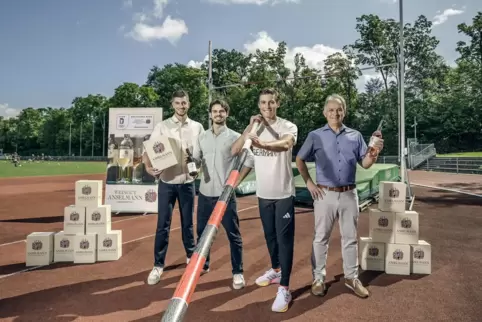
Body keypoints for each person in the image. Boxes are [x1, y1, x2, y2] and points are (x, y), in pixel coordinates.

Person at [295, 94, 384, 298]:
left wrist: (374, 153)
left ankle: (351, 277)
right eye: (331, 109)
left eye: (339, 109)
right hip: (324, 194)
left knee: (350, 238)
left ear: (344, 111)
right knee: (321, 238)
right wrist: (309, 183)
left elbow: (366, 163)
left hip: (349, 194)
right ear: (325, 112)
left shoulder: (355, 135)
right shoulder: (315, 135)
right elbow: (300, 159)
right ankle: (318, 278)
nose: (335, 113)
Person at [231, 88, 298, 313]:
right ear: (258, 105)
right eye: (263, 103)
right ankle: (276, 270)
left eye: (271, 102)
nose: (267, 106)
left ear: (277, 104)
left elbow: (286, 144)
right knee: (270, 237)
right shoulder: (255, 128)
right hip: (263, 195)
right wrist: (249, 128)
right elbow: (242, 154)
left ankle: (285, 287)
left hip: (283, 195)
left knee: (284, 240)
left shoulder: (287, 126)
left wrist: (262, 144)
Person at [191, 99, 254, 290]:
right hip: (204, 193)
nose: (218, 114)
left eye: (221, 111)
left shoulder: (235, 136)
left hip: (225, 196)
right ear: (210, 114)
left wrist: (235, 184)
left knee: (233, 235)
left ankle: (237, 272)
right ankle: (204, 265)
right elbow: (195, 159)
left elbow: (249, 160)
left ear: (226, 114)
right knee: (202, 233)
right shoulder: (202, 137)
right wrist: (192, 164)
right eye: (214, 111)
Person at [143, 90, 204, 285]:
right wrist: (148, 167)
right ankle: (158, 266)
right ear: (172, 105)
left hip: (187, 183)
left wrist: (195, 163)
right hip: (167, 183)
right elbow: (147, 150)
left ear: (189, 104)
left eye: (184, 103)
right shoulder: (162, 127)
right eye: (178, 103)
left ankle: (191, 259)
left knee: (188, 224)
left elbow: (202, 155)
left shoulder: (197, 127)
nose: (181, 106)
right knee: (163, 225)